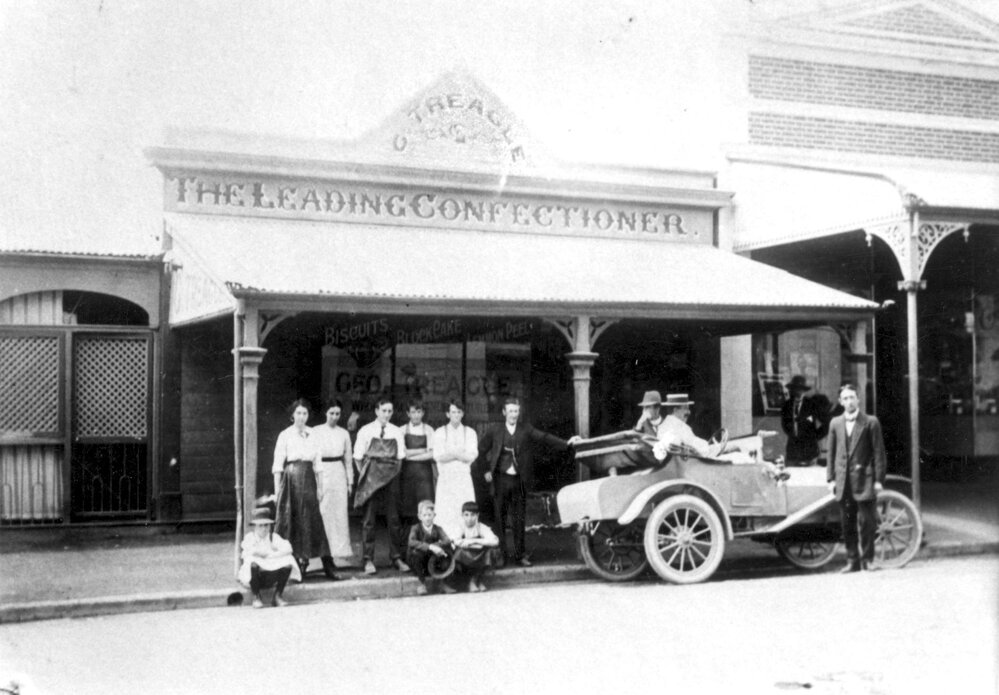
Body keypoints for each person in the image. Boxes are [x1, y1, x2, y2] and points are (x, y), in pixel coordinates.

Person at [478, 396, 581, 567]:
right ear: (504, 412)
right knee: (500, 519)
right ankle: (501, 555)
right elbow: (480, 451)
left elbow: (544, 437)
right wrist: (486, 471)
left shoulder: (525, 429)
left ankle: (520, 556)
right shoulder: (494, 430)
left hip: (519, 480)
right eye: (510, 411)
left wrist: (567, 443)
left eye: (516, 411)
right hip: (500, 480)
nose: (513, 414)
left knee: (519, 520)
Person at [827, 383, 886, 573]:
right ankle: (852, 561)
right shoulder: (835, 423)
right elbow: (831, 453)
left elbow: (879, 453)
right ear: (840, 402)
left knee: (868, 522)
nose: (849, 401)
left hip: (865, 480)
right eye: (845, 398)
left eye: (852, 397)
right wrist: (831, 479)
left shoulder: (871, 422)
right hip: (844, 482)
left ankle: (868, 559)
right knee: (847, 523)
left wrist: (878, 480)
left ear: (858, 399)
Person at [353, 397, 410, 575]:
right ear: (377, 411)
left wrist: (391, 476)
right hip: (371, 479)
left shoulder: (396, 432)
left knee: (393, 519)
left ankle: (396, 557)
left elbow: (401, 457)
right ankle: (368, 560)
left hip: (391, 477)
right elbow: (357, 457)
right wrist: (366, 476)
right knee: (369, 520)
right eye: (384, 410)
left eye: (389, 411)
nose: (387, 414)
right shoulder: (366, 430)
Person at [272, 398, 328, 578]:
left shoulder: (314, 434)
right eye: (298, 413)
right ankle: (293, 564)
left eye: (305, 413)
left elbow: (318, 464)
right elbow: (277, 466)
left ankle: (312, 561)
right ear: (292, 415)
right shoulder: (285, 435)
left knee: (310, 519)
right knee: (292, 520)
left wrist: (320, 488)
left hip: (309, 478)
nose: (302, 417)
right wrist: (277, 492)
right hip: (291, 479)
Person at [310, 400, 354, 576]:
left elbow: (348, 459)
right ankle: (321, 556)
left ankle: (335, 556)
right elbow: (313, 457)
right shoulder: (316, 432)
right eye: (331, 413)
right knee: (323, 515)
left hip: (338, 473)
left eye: (337, 414)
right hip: (322, 473)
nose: (334, 417)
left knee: (338, 516)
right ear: (325, 414)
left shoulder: (344, 433)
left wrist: (350, 481)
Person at [238, 501, 301, 608]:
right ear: (255, 526)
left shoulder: (273, 537)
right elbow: (247, 551)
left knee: (289, 561)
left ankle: (277, 596)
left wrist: (271, 555)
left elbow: (288, 548)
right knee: (252, 562)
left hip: (271, 576)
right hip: (256, 577)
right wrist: (258, 553)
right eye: (260, 526)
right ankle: (256, 596)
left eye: (266, 525)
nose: (264, 529)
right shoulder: (250, 538)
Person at [432, 399, 478, 537]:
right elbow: (438, 456)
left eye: (459, 412)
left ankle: (465, 541)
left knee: (464, 509)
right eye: (453, 412)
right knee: (446, 511)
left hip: (463, 478)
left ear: (462, 414)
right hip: (446, 479)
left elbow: (471, 456)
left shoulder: (470, 432)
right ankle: (446, 542)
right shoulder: (440, 432)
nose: (456, 415)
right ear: (447, 414)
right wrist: (458, 454)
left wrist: (452, 454)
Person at [406, 500, 456, 595]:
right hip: (419, 561)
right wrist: (430, 547)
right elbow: (411, 542)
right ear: (419, 516)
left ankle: (443, 583)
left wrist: (437, 546)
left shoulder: (438, 529)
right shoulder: (416, 528)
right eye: (424, 515)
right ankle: (422, 584)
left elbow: (447, 540)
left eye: (430, 515)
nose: (427, 518)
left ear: (434, 515)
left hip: (432, 560)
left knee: (447, 551)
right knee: (416, 553)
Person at [399, 400, 436, 527]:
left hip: (424, 475)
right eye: (413, 412)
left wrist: (410, 456)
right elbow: (402, 452)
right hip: (407, 475)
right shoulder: (402, 430)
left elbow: (432, 454)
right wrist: (422, 450)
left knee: (426, 507)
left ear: (423, 413)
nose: (416, 415)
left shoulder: (429, 430)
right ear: (408, 414)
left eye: (419, 412)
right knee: (407, 508)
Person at [781, 376, 829, 466]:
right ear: (792, 389)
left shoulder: (812, 404)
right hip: (793, 451)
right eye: (795, 389)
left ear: (804, 390)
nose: (798, 391)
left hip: (809, 451)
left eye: (800, 389)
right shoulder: (786, 405)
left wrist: (815, 436)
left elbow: (827, 423)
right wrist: (794, 433)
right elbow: (785, 425)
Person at [452, 501, 499, 593]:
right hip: (466, 555)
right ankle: (471, 582)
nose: (469, 518)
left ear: (477, 515)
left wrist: (474, 541)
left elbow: (495, 541)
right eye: (466, 515)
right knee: (459, 553)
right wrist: (465, 543)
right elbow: (456, 540)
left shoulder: (481, 527)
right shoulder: (460, 527)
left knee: (492, 552)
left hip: (479, 554)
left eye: (473, 515)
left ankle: (477, 580)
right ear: (462, 515)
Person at [651, 393, 714, 460]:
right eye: (685, 408)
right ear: (675, 410)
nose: (689, 412)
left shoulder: (662, 426)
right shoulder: (680, 427)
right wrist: (717, 447)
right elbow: (702, 449)